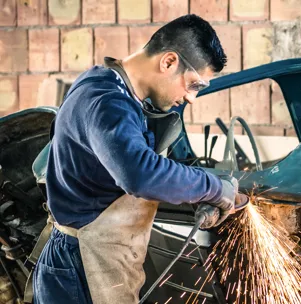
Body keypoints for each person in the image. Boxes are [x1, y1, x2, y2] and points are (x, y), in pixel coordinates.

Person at [31, 14, 244, 304]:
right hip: (79, 263)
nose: (191, 98)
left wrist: (194, 193)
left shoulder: (107, 82)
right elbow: (139, 175)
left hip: (92, 256)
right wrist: (214, 188)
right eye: (193, 84)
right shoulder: (107, 100)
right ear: (168, 62)